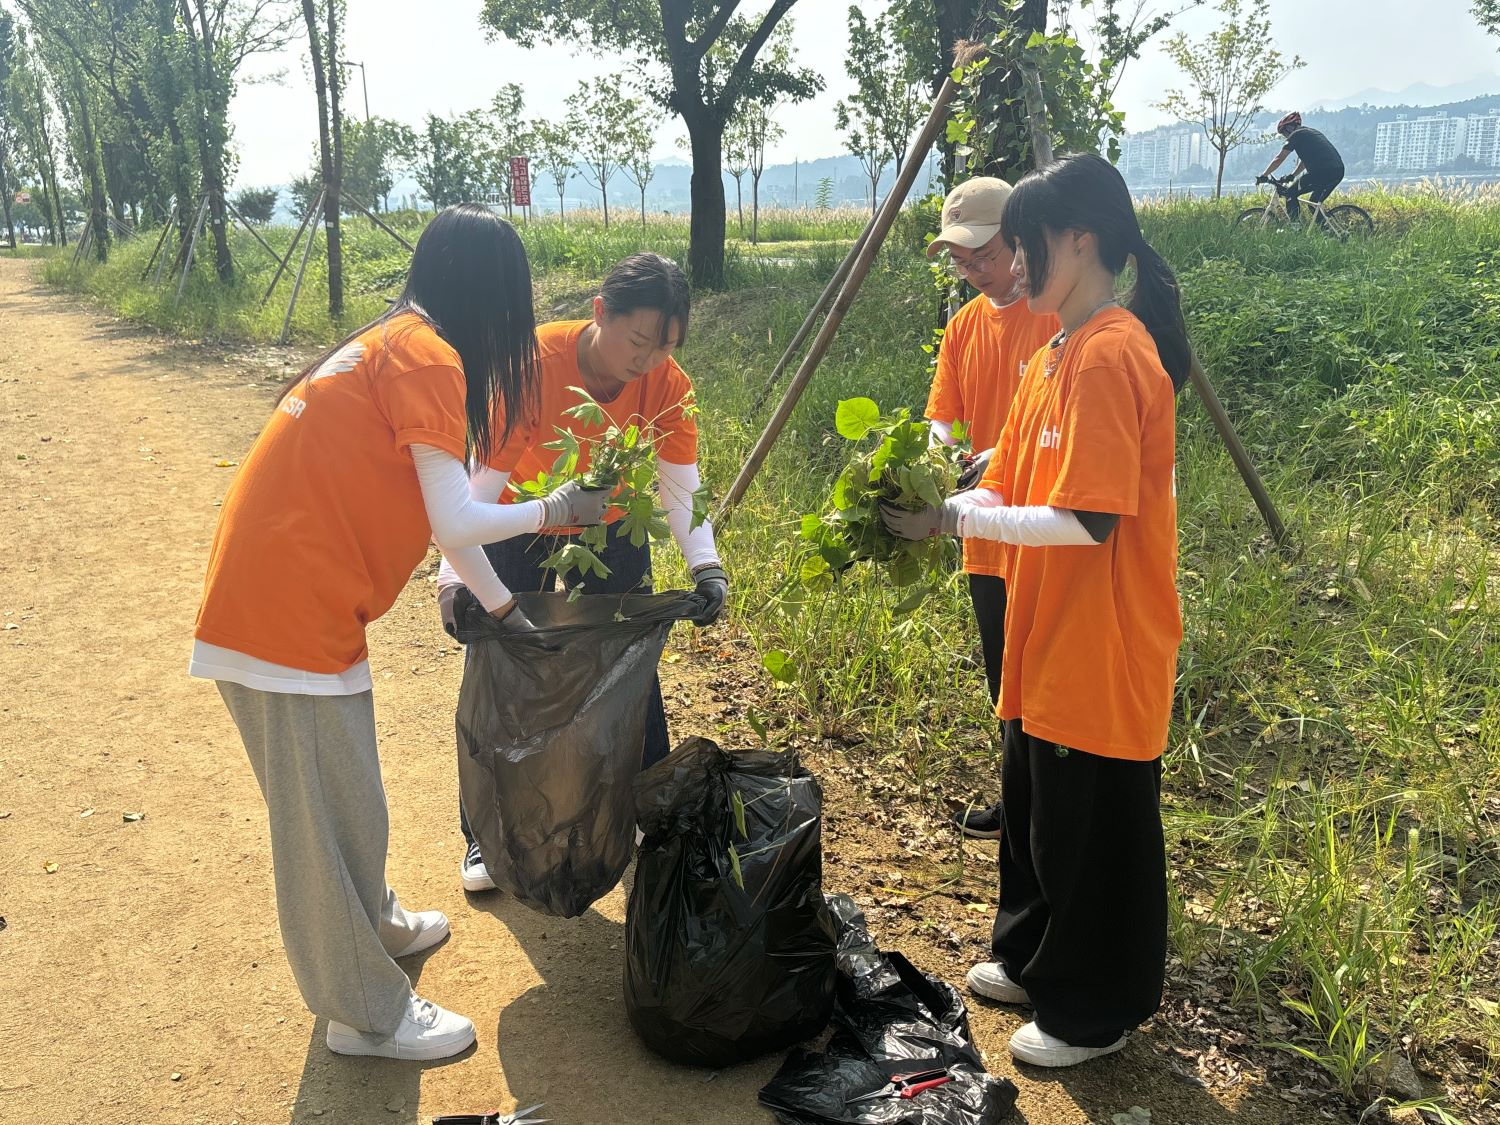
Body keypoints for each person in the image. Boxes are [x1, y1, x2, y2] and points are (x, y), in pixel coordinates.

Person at [191, 204, 613, 1062]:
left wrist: (505, 613)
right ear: (489, 292)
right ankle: (366, 1014)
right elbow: (459, 514)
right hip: (283, 609)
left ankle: (374, 922)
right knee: (314, 819)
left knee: (350, 788)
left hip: (303, 599)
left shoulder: (400, 340)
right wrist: (560, 508)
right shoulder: (429, 355)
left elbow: (444, 524)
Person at [883, 153, 1187, 1068]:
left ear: (1078, 240)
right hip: (1047, 629)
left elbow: (1088, 521)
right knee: (1038, 805)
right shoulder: (1056, 350)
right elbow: (1004, 478)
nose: (1013, 265)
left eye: (1028, 246)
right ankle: (1031, 954)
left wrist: (947, 519)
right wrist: (935, 507)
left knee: (1092, 827)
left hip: (1104, 636)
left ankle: (1091, 1011)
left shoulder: (1111, 351)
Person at [436, 251, 728, 894]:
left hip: (611, 528)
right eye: (639, 340)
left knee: (631, 666)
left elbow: (680, 488)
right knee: (507, 670)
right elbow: (474, 492)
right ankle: (486, 836)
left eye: (666, 348)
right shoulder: (530, 366)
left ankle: (648, 822)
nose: (648, 361)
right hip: (520, 521)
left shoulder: (668, 386)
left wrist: (706, 566)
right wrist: (454, 582)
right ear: (600, 312)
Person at [923, 177, 1058, 841]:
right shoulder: (962, 327)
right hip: (982, 530)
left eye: (982, 255)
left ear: (1020, 241)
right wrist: (939, 461)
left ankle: (1047, 810)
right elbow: (942, 421)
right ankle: (1018, 805)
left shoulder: (1057, 312)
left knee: (1050, 682)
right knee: (1003, 677)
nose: (972, 270)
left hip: (1048, 532)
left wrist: (1001, 453)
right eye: (960, 259)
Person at [1259, 111, 1345, 224]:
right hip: (1337, 170)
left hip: (1322, 172)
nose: (1285, 136)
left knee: (1290, 193)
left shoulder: (1297, 135)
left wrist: (1264, 175)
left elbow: (1279, 158)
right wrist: (1292, 175)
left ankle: (1296, 227)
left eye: (1284, 132)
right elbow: (1304, 162)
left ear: (1290, 127)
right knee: (1313, 204)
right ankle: (1329, 231)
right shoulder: (1311, 132)